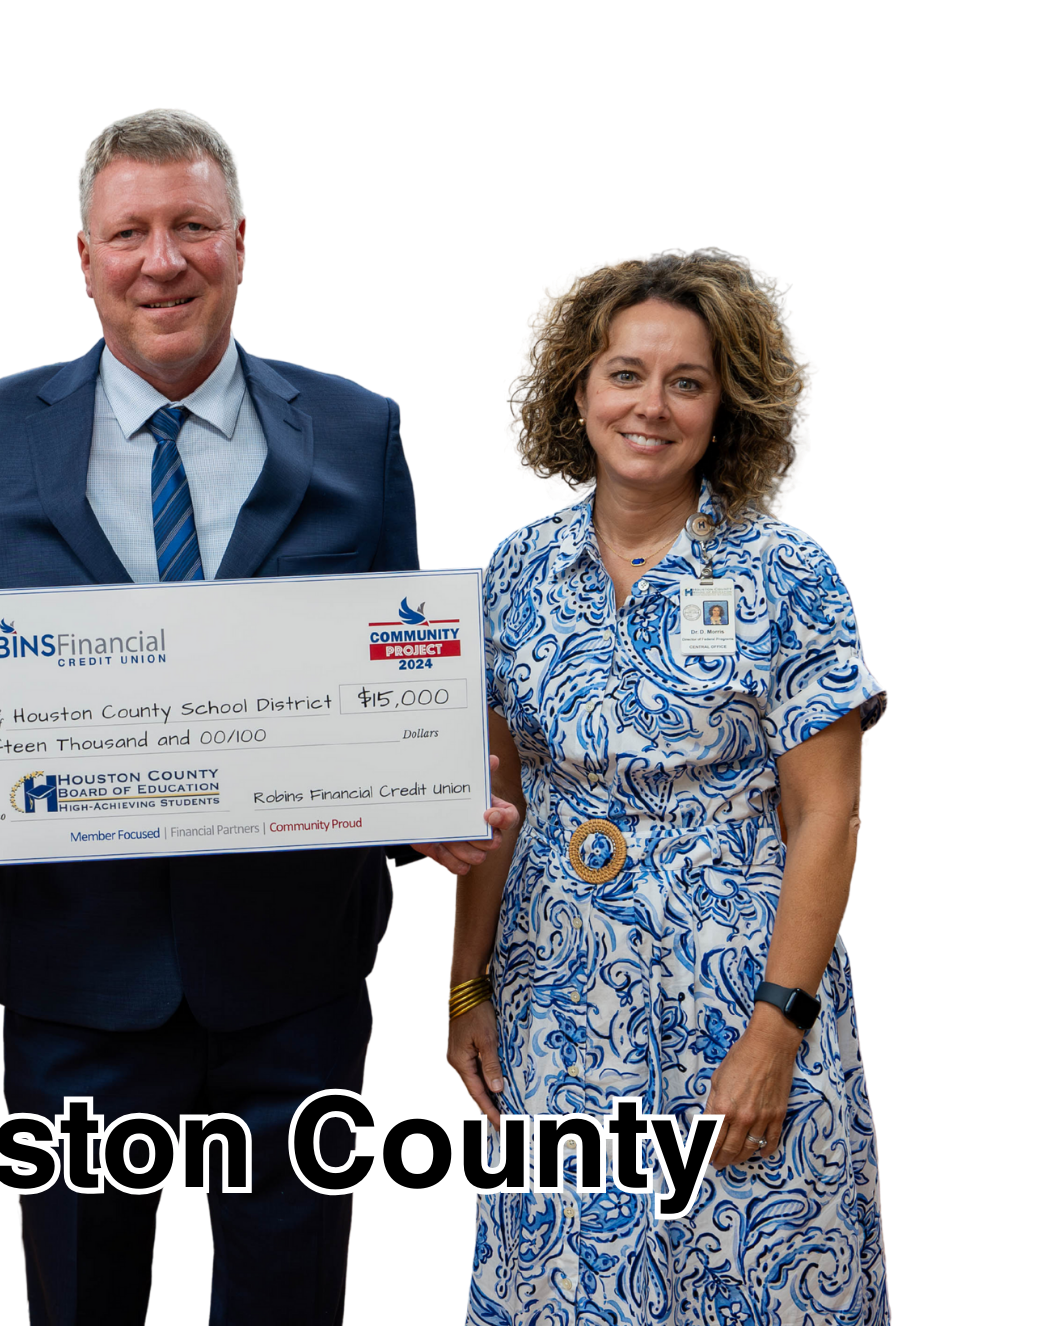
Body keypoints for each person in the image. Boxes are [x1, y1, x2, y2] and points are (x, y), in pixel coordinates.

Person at [0, 107, 514, 1322]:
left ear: (239, 242)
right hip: (72, 971)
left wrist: (423, 784)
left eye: (190, 229)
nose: (161, 261)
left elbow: (401, 657)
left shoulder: (358, 426)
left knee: (287, 1301)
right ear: (83, 256)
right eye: (130, 233)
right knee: (83, 1301)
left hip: (299, 974)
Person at [445, 249, 888, 1322]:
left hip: (739, 995)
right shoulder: (513, 570)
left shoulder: (787, 570)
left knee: (759, 1274)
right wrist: (466, 990)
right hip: (559, 1005)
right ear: (577, 393)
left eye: (685, 382)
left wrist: (777, 1028)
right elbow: (495, 804)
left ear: (723, 406)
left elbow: (827, 811)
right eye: (624, 374)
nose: (651, 406)